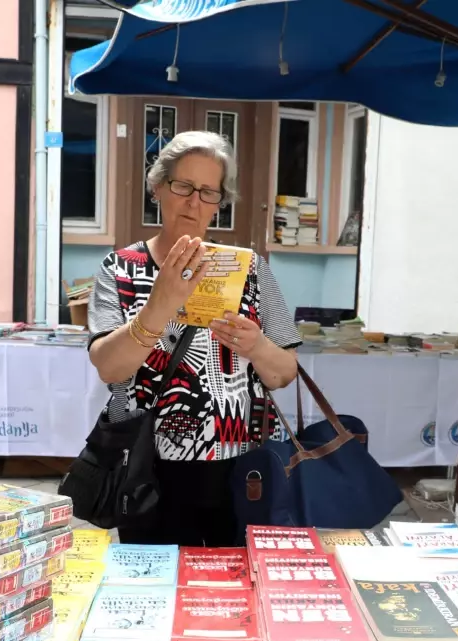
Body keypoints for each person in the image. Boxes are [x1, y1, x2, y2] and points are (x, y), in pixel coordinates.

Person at [87, 130, 301, 547]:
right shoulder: (121, 267)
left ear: (220, 202)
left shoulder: (249, 270)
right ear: (157, 187)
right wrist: (159, 306)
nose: (193, 202)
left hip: (241, 466)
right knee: (156, 591)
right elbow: (109, 368)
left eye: (208, 192)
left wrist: (256, 346)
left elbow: (284, 374)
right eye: (182, 185)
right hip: (148, 467)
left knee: (234, 594)